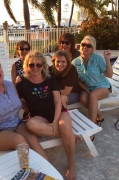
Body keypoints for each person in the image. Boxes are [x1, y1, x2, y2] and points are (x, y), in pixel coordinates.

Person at [16, 51, 77, 180]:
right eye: (31, 65)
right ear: (26, 66)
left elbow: (57, 101)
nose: (35, 68)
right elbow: (18, 101)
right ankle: (70, 136)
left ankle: (72, 165)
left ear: (43, 65)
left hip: (58, 112)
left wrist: (55, 122)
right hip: (39, 116)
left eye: (38, 65)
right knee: (30, 125)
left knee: (64, 125)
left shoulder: (50, 79)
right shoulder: (22, 83)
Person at [72, 35, 113, 130]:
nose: (85, 47)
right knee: (82, 98)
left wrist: (107, 59)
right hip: (87, 87)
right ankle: (100, 115)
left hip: (102, 86)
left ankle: (92, 125)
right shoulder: (75, 62)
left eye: (89, 46)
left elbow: (109, 75)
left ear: (92, 49)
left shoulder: (98, 59)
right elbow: (77, 81)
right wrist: (87, 91)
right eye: (83, 44)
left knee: (93, 96)